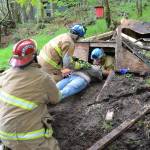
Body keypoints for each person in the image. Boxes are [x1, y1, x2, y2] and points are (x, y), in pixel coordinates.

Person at [0, 39, 61, 150]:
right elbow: (55, 99)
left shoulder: (5, 75)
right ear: (34, 56)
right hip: (28, 139)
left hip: (3, 134)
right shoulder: (43, 78)